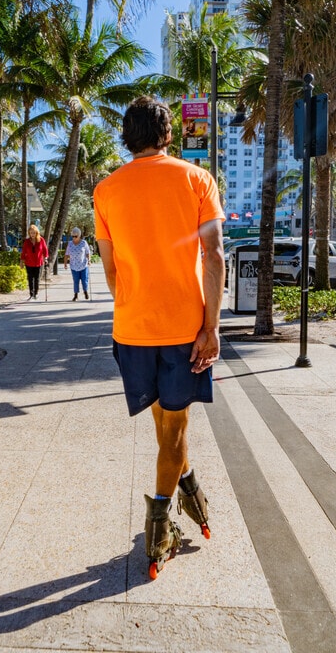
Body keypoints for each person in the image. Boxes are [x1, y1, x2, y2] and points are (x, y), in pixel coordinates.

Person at [94, 95, 225, 579]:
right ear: (168, 135)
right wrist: (210, 326)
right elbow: (213, 255)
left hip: (131, 329)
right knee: (174, 431)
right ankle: (158, 524)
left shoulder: (105, 189)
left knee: (165, 428)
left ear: (127, 138)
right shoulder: (197, 179)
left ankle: (187, 486)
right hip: (183, 329)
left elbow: (110, 270)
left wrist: (133, 303)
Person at [21, 224, 48, 299]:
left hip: (38, 262)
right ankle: (31, 293)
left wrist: (45, 258)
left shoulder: (41, 240)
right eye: (31, 233)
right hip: (29, 263)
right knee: (30, 278)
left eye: (33, 233)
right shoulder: (27, 241)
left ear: (36, 232)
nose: (32, 234)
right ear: (29, 233)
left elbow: (45, 250)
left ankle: (35, 293)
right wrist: (22, 261)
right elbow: (23, 252)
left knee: (36, 279)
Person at [64, 227, 92, 301]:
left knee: (84, 280)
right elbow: (67, 254)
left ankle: (85, 291)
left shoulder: (84, 243)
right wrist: (65, 263)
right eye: (72, 236)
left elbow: (87, 252)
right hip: (74, 266)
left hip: (83, 265)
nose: (74, 238)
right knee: (75, 281)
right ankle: (76, 295)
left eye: (75, 236)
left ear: (79, 235)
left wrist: (89, 260)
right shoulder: (70, 244)